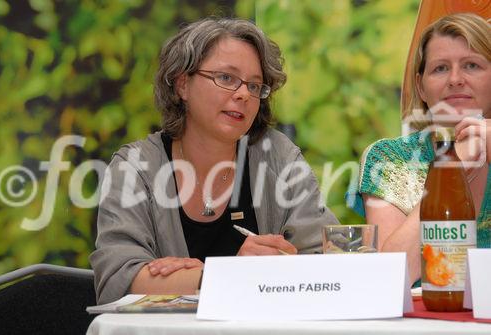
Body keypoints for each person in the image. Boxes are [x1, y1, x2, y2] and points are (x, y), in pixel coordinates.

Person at [90, 17, 339, 304]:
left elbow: (328, 261)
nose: (244, 94)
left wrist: (285, 262)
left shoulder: (278, 157)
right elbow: (118, 280)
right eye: (226, 78)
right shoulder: (136, 167)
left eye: (255, 86)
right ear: (182, 85)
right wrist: (225, 275)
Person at [351, 13, 491, 285]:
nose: (455, 79)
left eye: (471, 65)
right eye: (440, 68)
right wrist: (452, 166)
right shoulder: (391, 158)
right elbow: (389, 278)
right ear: (421, 87)